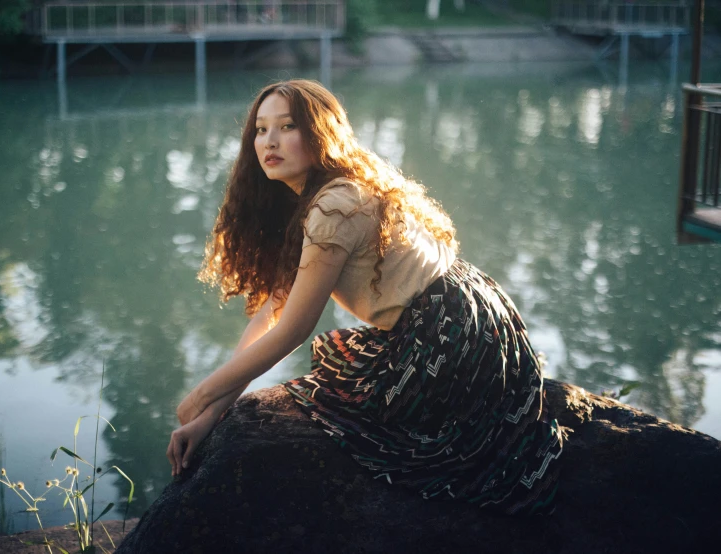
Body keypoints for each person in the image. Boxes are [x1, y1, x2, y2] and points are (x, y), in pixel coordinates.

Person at [166, 79, 565, 516]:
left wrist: (203, 394)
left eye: (287, 126)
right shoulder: (319, 196)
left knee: (354, 411)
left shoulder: (334, 205)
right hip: (462, 314)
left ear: (320, 134)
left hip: (451, 336)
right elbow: (272, 315)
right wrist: (210, 415)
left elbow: (294, 330)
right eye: (260, 130)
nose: (269, 141)